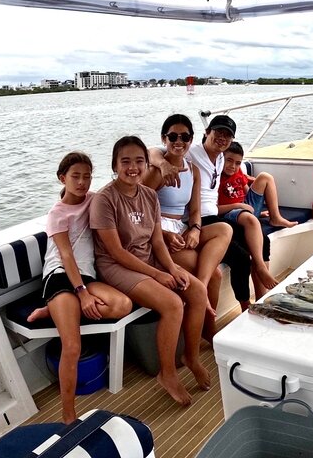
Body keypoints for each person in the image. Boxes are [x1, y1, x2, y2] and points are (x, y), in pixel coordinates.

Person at [91, 136, 210, 406]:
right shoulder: (104, 200)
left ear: (146, 165)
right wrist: (158, 275)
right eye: (125, 162)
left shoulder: (148, 195)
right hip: (116, 266)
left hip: (148, 259)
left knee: (197, 290)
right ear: (114, 165)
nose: (132, 167)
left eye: (138, 161)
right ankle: (166, 374)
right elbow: (116, 252)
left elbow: (157, 241)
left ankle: (190, 356)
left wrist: (171, 268)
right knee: (173, 304)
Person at [27, 152, 132, 424]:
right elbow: (66, 255)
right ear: (63, 178)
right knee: (72, 346)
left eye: (87, 176)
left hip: (86, 275)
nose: (82, 182)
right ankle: (68, 414)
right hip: (61, 276)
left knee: (123, 305)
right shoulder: (57, 214)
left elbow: (120, 188)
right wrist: (82, 293)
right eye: (75, 176)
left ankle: (55, 311)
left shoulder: (95, 200)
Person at [150, 114, 267, 315]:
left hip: (212, 217)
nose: (222, 138)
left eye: (227, 135)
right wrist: (162, 164)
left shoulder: (221, 158)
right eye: (218, 132)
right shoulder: (191, 153)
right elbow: (153, 151)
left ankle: (262, 296)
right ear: (206, 133)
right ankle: (246, 308)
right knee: (240, 257)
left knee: (263, 239)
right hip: (197, 221)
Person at [143, 114, 232, 343]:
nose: (178, 141)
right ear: (164, 138)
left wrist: (194, 229)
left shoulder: (192, 170)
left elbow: (194, 211)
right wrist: (164, 234)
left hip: (181, 228)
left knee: (225, 229)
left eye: (184, 136)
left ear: (192, 140)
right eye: (173, 136)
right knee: (216, 274)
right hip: (159, 232)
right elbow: (139, 212)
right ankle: (207, 331)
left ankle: (200, 298)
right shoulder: (155, 171)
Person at [217, 141, 296, 289]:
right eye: (229, 160)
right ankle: (260, 267)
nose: (233, 166)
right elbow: (213, 210)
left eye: (238, 163)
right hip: (228, 213)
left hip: (244, 209)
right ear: (221, 158)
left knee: (265, 177)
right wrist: (239, 206)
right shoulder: (215, 177)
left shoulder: (238, 172)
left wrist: (256, 208)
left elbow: (245, 190)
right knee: (250, 220)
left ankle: (275, 217)